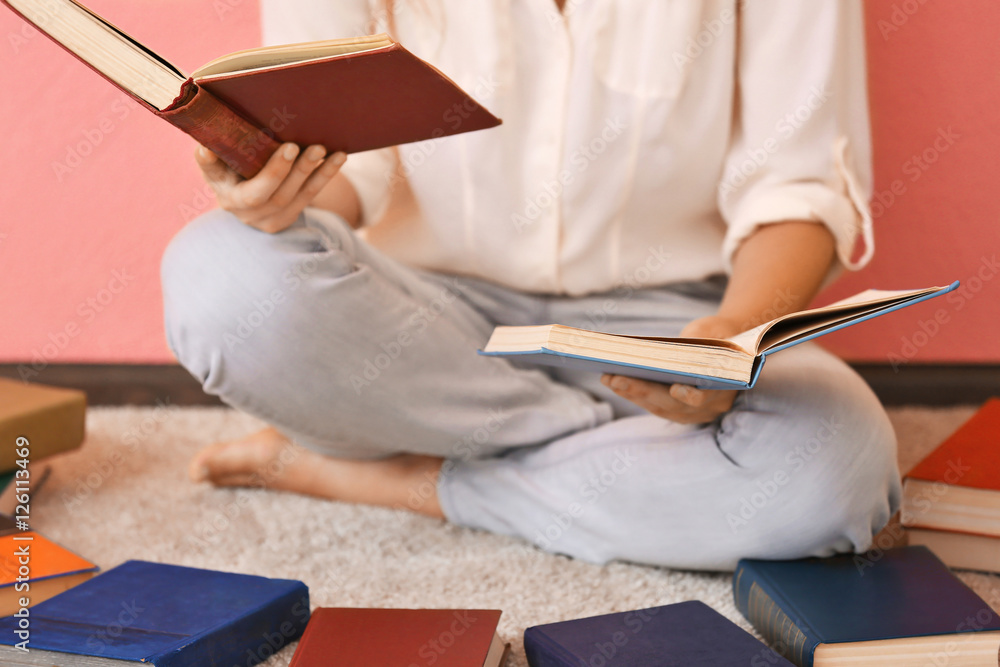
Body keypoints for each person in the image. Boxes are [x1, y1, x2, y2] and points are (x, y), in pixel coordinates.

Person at [161, 0, 899, 570]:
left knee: (838, 467)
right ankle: (633, 458)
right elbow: (350, 171)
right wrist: (281, 191)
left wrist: (730, 335)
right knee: (215, 271)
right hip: (419, 334)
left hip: (668, 330)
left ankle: (390, 476)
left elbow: (795, 186)